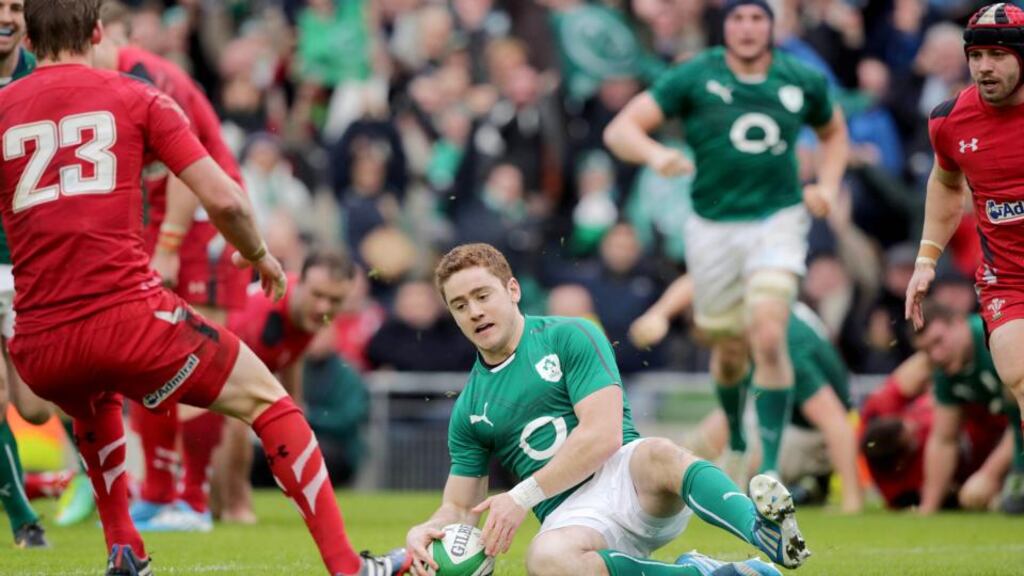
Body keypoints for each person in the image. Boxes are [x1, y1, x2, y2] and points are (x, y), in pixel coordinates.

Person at [0, 2, 405, 575]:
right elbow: (226, 198)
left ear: (29, 37)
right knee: (268, 400)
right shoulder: (136, 94)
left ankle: (126, 549)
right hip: (128, 317)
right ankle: (349, 568)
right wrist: (259, 254)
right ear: (96, 31)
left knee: (93, 398)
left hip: (40, 342)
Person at [404, 243, 810, 576]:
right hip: (570, 517)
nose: (473, 311)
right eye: (459, 305)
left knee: (660, 453)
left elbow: (604, 435)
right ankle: (709, 574)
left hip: (627, 477)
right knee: (544, 560)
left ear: (512, 290)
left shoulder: (571, 335)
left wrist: (520, 496)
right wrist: (429, 530)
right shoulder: (470, 408)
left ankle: (761, 531)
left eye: (482, 295)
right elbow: (459, 507)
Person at [604, 0, 848, 479]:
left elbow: (835, 133)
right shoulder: (694, 75)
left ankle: (770, 469)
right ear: (724, 27)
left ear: (771, 26)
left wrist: (828, 184)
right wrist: (656, 156)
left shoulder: (802, 79)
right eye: (738, 18)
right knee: (731, 350)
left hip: (778, 219)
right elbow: (620, 130)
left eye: (758, 18)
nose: (748, 28)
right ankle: (736, 437)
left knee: (770, 331)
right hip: (713, 227)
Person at [90, 0, 255, 531]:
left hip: (203, 219)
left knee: (195, 360)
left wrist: (167, 244)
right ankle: (160, 494)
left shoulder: (143, 76)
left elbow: (189, 169)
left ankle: (195, 501)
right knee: (149, 359)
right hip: (161, 220)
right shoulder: (114, 73)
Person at [630, 276, 864, 513]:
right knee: (698, 444)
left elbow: (836, 422)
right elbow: (699, 278)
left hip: (809, 434)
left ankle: (807, 479)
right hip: (783, 411)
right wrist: (658, 314)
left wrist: (851, 501)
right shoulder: (760, 304)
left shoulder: (785, 348)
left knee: (724, 475)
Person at [906, 2, 1024, 450]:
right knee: (1019, 374)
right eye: (976, 56)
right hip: (1008, 279)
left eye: (997, 55)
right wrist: (925, 260)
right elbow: (945, 182)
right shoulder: (948, 120)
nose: (984, 67)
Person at [212, 248, 357, 525]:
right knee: (235, 428)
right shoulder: (261, 314)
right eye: (317, 295)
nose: (324, 307)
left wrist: (295, 405)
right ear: (300, 283)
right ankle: (234, 506)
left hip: (228, 371)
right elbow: (233, 412)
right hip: (204, 367)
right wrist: (238, 499)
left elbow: (292, 356)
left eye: (335, 300)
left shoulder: (304, 314)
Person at [0, 0, 50, 549]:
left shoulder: (44, 76)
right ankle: (24, 521)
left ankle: (85, 472)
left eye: (15, 5)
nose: (4, 15)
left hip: (31, 262)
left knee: (36, 405)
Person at [910, 301, 1024, 514]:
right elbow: (944, 438)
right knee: (1014, 505)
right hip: (1019, 439)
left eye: (938, 341)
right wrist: (928, 507)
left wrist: (990, 473)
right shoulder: (945, 369)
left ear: (959, 323)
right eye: (926, 350)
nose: (936, 355)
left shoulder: (996, 338)